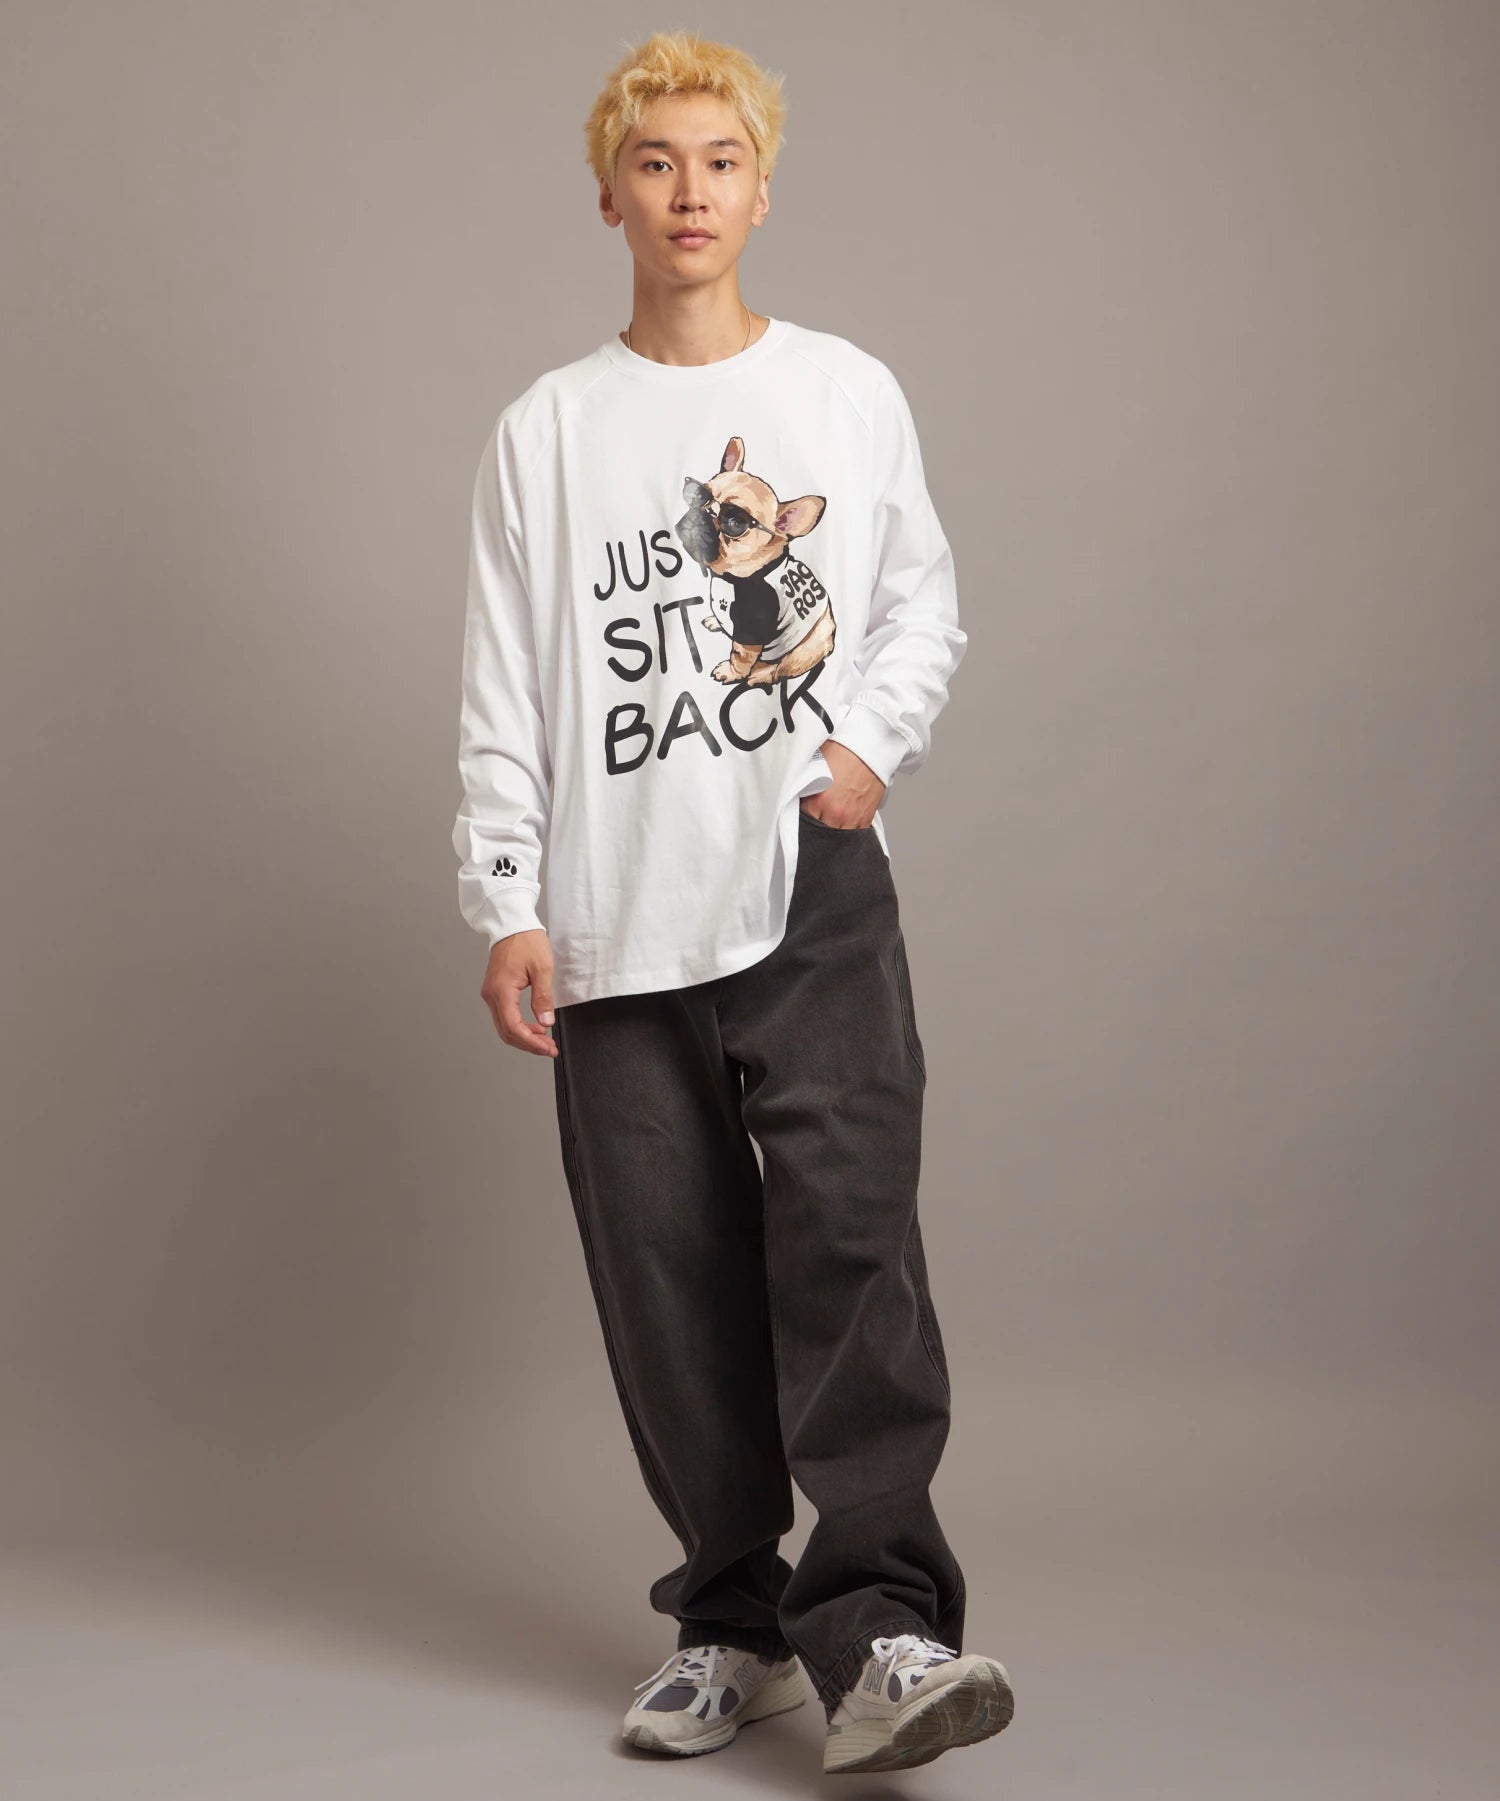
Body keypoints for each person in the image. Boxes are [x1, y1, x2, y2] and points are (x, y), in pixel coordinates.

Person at [451, 29, 1015, 1777]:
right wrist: (505, 892)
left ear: (764, 190)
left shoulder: (844, 389)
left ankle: (885, 1627)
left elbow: (919, 602)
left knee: (851, 1241)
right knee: (668, 1278)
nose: (689, 192)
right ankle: (732, 1623)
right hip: (615, 909)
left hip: (804, 886)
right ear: (608, 194)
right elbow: (502, 683)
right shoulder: (548, 430)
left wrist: (862, 751)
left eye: (720, 161)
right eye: (656, 162)